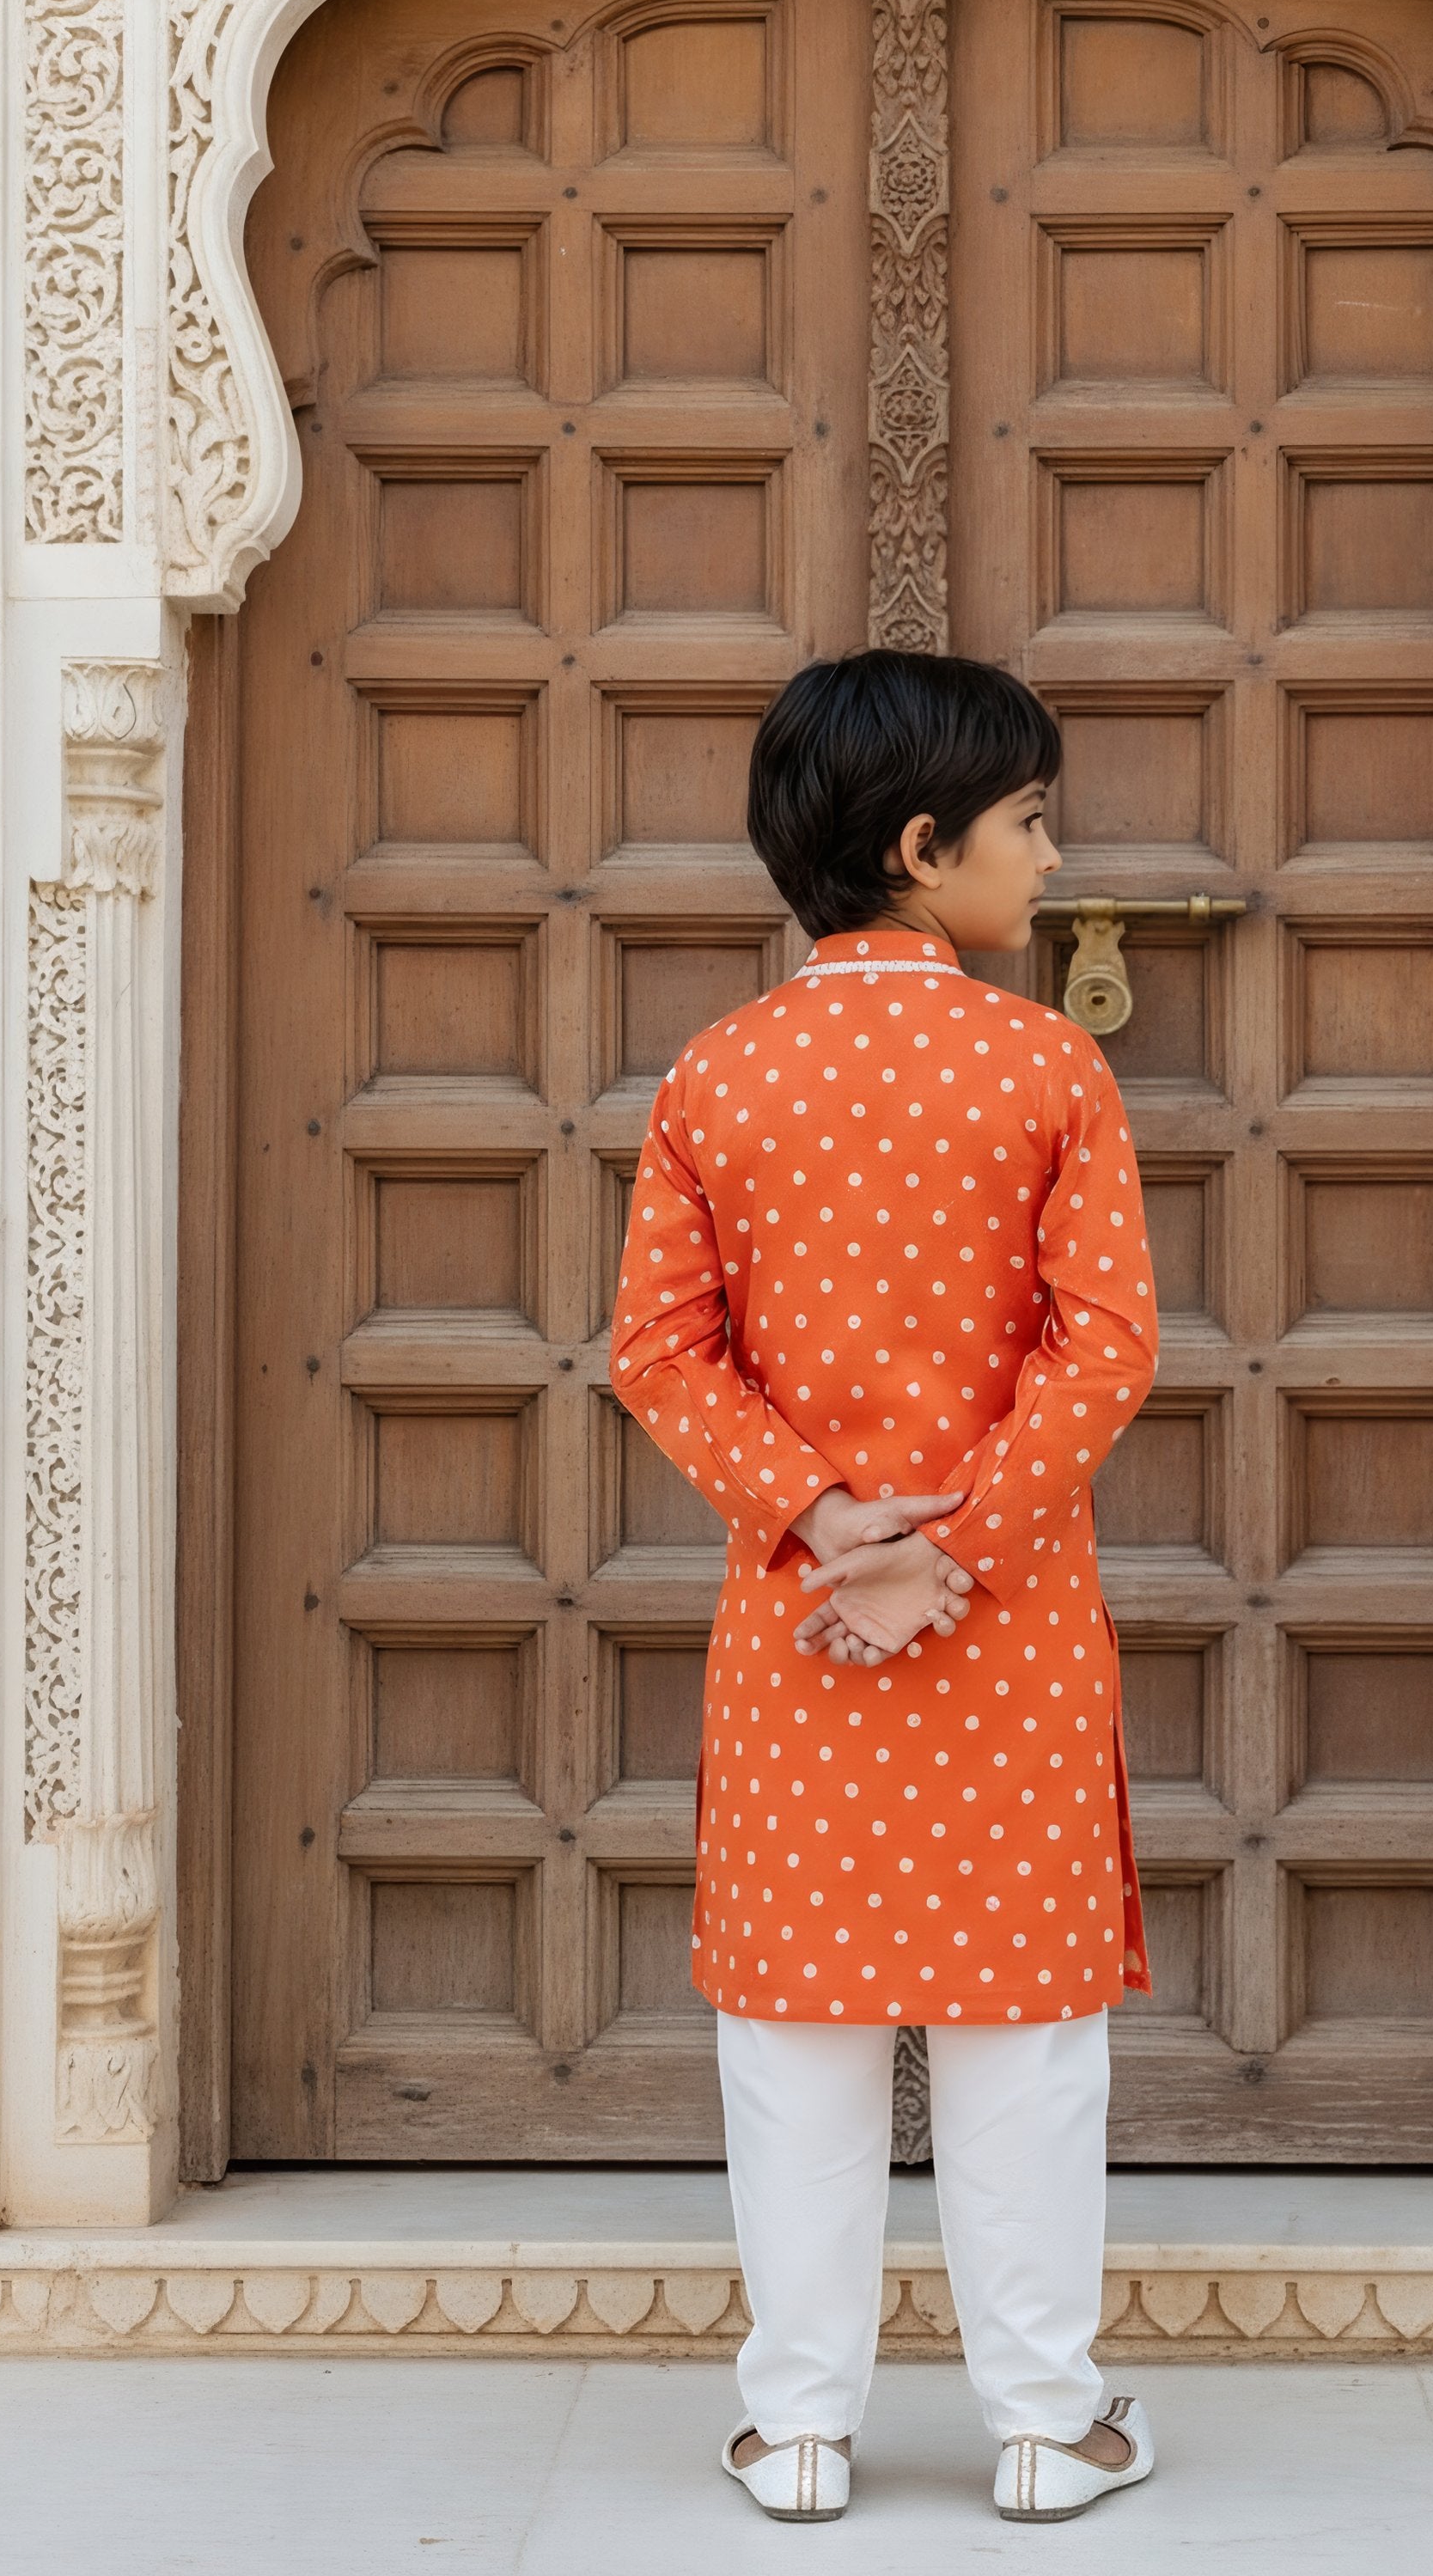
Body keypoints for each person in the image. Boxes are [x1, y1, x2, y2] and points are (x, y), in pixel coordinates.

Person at [609, 650, 1159, 2524]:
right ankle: (1042, 2419)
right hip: (1002, 1634)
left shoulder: (717, 1073)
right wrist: (955, 1548)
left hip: (801, 1627)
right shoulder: (1049, 1064)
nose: (1052, 850)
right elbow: (1106, 1352)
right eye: (1027, 822)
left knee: (797, 2047)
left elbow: (659, 1352)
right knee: (1023, 2045)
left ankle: (799, 2427)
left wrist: (828, 1523)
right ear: (926, 850)